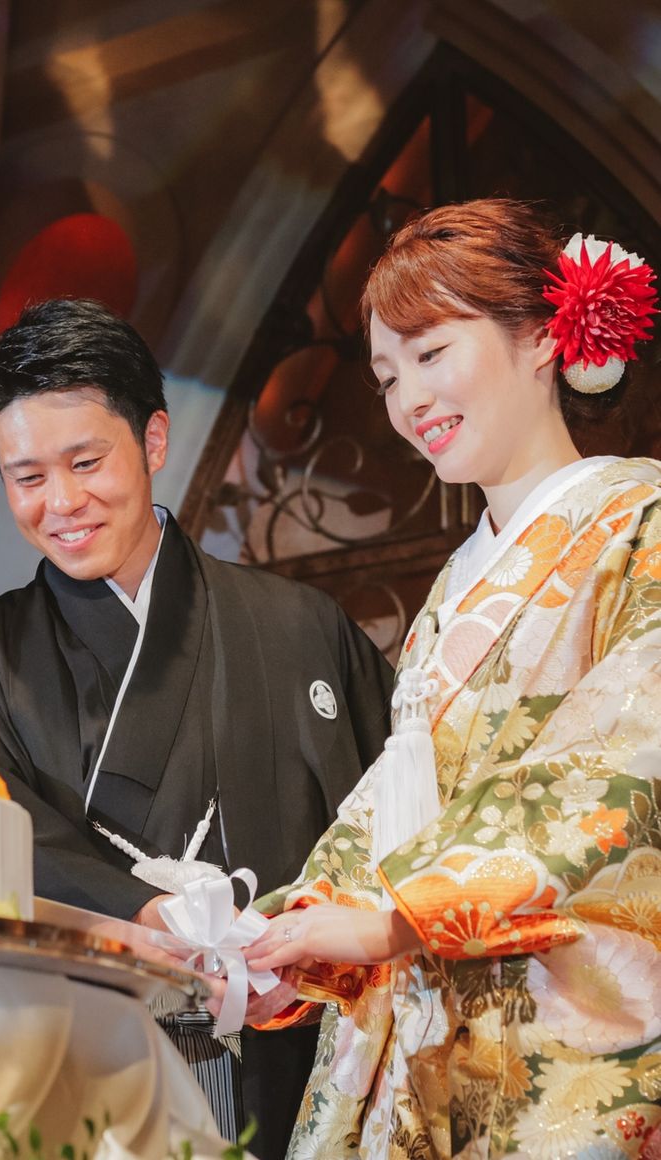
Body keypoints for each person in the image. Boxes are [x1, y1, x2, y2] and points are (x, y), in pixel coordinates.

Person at [241, 199, 661, 1159]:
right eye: (389, 377)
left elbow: (627, 756)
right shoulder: (453, 588)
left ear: (543, 336)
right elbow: (401, 795)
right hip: (432, 1027)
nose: (408, 400)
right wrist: (294, 931)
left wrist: (400, 914)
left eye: (432, 353)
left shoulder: (642, 518)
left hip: (572, 1028)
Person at [0, 297, 395, 1157]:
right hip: (89, 1063)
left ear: (154, 441)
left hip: (304, 1059)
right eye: (27, 478)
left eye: (86, 462)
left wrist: (313, 951)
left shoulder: (301, 626)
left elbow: (399, 820)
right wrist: (143, 913)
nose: (62, 502)